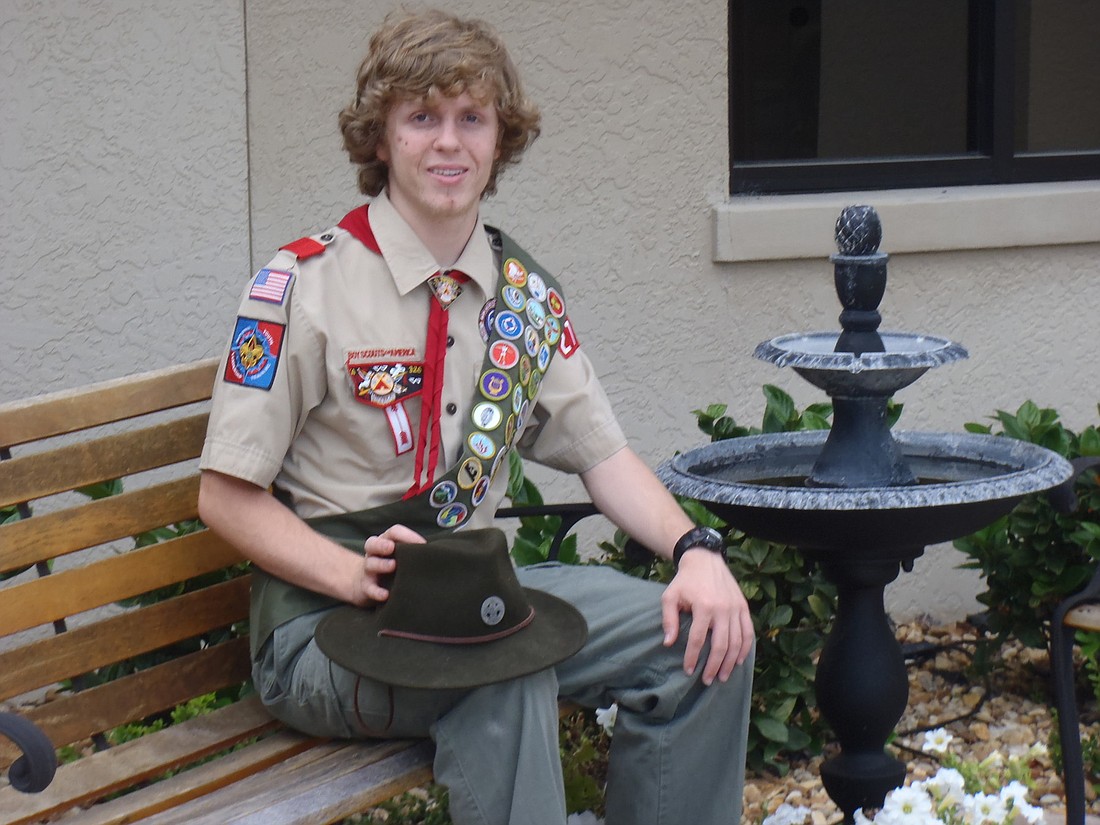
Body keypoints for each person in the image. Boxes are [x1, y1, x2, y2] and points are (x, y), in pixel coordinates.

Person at [198, 9, 755, 825]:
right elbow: (225, 496)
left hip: (473, 594)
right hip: (327, 621)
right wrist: (351, 575)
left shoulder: (521, 300)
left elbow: (603, 456)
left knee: (703, 643)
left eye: (471, 118)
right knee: (504, 667)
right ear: (380, 138)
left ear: (501, 139)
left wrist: (695, 550)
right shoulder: (302, 289)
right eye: (421, 117)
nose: (448, 142)